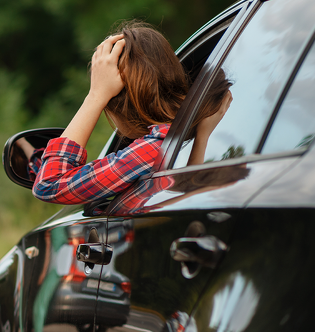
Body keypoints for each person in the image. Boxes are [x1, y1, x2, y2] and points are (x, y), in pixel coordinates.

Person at [26, 21, 233, 205]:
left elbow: (49, 185)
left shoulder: (152, 149)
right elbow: (188, 197)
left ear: (117, 106)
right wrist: (202, 137)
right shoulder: (179, 140)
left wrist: (96, 96)